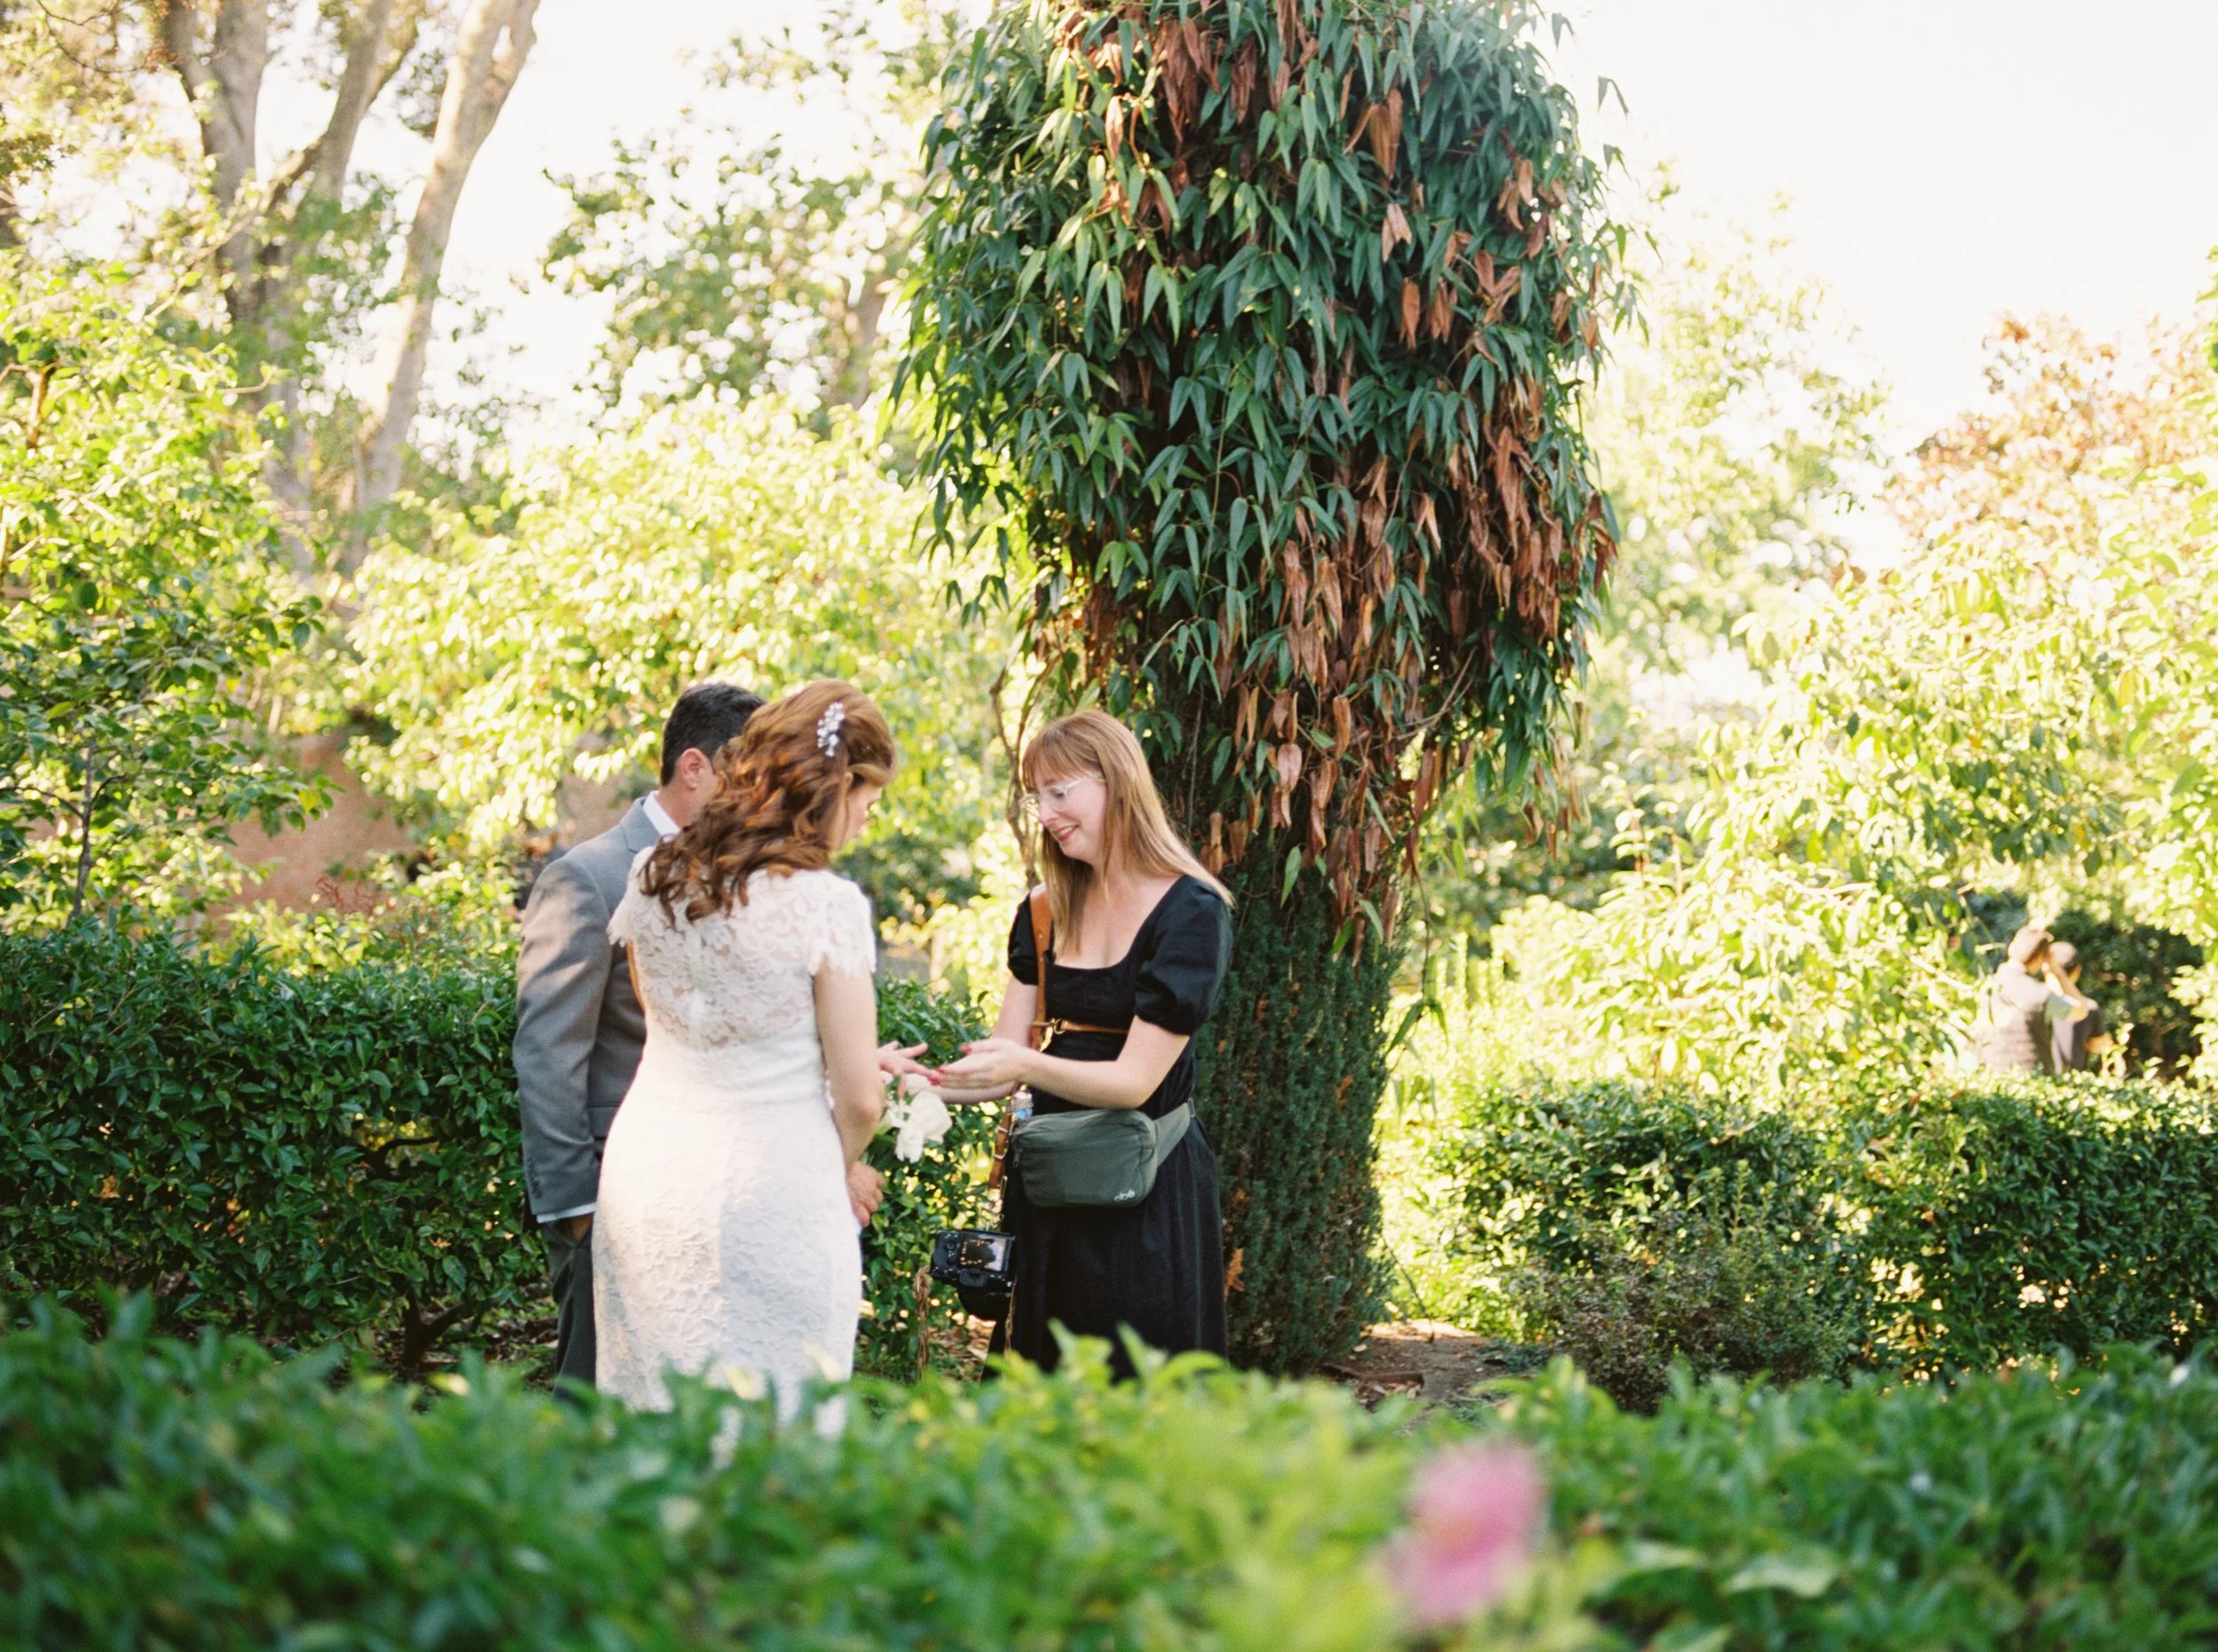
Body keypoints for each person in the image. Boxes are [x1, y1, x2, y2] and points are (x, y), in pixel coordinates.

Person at [594, 680, 895, 1415]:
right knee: (779, 1420)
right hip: (774, 1194)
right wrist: (840, 1162)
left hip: (647, 1180)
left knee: (651, 1414)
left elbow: (668, 1020)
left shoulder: (654, 876)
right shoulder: (824, 905)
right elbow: (861, 1095)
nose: (868, 815)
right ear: (830, 787)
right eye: (867, 795)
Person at [935, 710, 1233, 1379]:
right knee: (1039, 1388)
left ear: (1116, 782)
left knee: (1137, 1389)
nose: (1044, 812)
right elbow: (1000, 1066)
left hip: (1145, 1194)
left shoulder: (1191, 913)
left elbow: (1134, 1082)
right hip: (1051, 1191)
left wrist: (1020, 1064)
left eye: (1059, 791)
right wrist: (913, 1083)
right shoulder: (1043, 910)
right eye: (1035, 796)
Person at [515, 680, 762, 1388]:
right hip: (612, 1205)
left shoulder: (743, 879)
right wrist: (577, 1215)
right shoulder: (588, 879)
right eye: (748, 778)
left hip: (708, 1205)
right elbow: (548, 1055)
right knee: (595, 1406)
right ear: (695, 768)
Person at [1972, 925, 2090, 1074]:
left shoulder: (1983, 987)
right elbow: (2082, 1010)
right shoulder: (2041, 994)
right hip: (2032, 1082)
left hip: (1989, 1078)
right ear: (2041, 959)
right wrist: (2057, 972)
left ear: (2011, 949)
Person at [2044, 940, 2114, 1072]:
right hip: (2072, 1082)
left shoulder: (2031, 1000)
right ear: (2077, 971)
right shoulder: (2090, 1008)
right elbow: (2100, 1046)